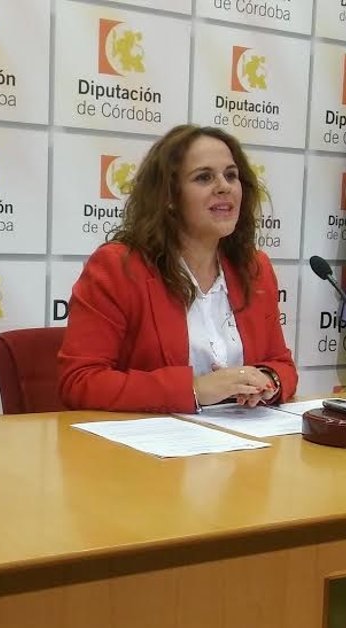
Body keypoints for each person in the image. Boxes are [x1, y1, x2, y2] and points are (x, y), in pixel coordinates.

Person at [59, 125, 298, 413]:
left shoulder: (254, 267)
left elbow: (282, 364)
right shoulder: (118, 267)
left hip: (242, 434)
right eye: (204, 177)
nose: (224, 186)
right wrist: (194, 389)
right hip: (152, 438)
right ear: (169, 197)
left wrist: (268, 381)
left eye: (231, 175)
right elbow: (80, 381)